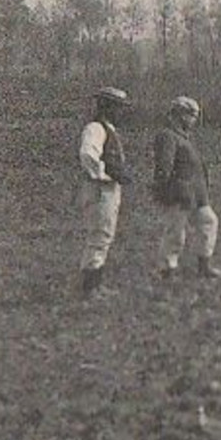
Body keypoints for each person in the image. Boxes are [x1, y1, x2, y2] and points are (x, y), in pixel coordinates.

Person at [153, 96, 221, 279]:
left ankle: (204, 265)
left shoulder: (184, 138)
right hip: (178, 194)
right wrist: (164, 190)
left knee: (209, 222)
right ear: (180, 115)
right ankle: (167, 270)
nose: (193, 120)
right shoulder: (168, 136)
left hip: (196, 195)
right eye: (191, 115)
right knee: (175, 232)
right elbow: (164, 167)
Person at [78, 86, 132, 296]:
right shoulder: (95, 128)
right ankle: (90, 288)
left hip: (108, 188)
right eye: (118, 107)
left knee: (105, 234)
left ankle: (95, 284)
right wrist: (105, 175)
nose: (122, 112)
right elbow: (88, 154)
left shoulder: (108, 128)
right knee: (99, 235)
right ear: (106, 107)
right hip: (100, 189)